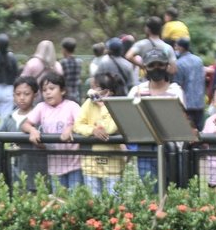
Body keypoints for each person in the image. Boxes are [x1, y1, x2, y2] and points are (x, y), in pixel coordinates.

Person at [127, 48, 185, 186]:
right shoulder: (137, 91)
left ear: (166, 66)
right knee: (150, 188)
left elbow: (180, 118)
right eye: (151, 65)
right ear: (145, 68)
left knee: (173, 188)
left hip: (171, 148)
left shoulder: (175, 90)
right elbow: (129, 117)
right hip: (145, 147)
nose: (156, 68)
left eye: (160, 64)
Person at [21, 71, 82, 190]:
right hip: (54, 166)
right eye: (44, 90)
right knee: (59, 201)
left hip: (75, 164)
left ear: (62, 90)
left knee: (76, 200)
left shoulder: (72, 106)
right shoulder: (41, 107)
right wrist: (32, 130)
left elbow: (82, 123)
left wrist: (70, 128)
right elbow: (25, 124)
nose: (47, 92)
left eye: (51, 88)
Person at [73, 69, 127, 194]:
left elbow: (110, 129)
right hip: (91, 163)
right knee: (93, 202)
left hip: (112, 163)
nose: (93, 91)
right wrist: (92, 130)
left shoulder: (117, 105)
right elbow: (77, 125)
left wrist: (103, 107)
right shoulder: (88, 103)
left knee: (114, 202)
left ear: (108, 91)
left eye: (97, 88)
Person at [174, 38, 206, 128]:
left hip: (186, 103)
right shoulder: (199, 60)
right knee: (200, 130)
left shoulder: (179, 63)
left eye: (176, 46)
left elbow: (177, 84)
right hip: (199, 101)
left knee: (188, 130)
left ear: (180, 48)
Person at [59, 38, 82, 103]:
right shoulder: (79, 62)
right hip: (76, 95)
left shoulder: (62, 62)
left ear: (64, 49)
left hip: (66, 95)